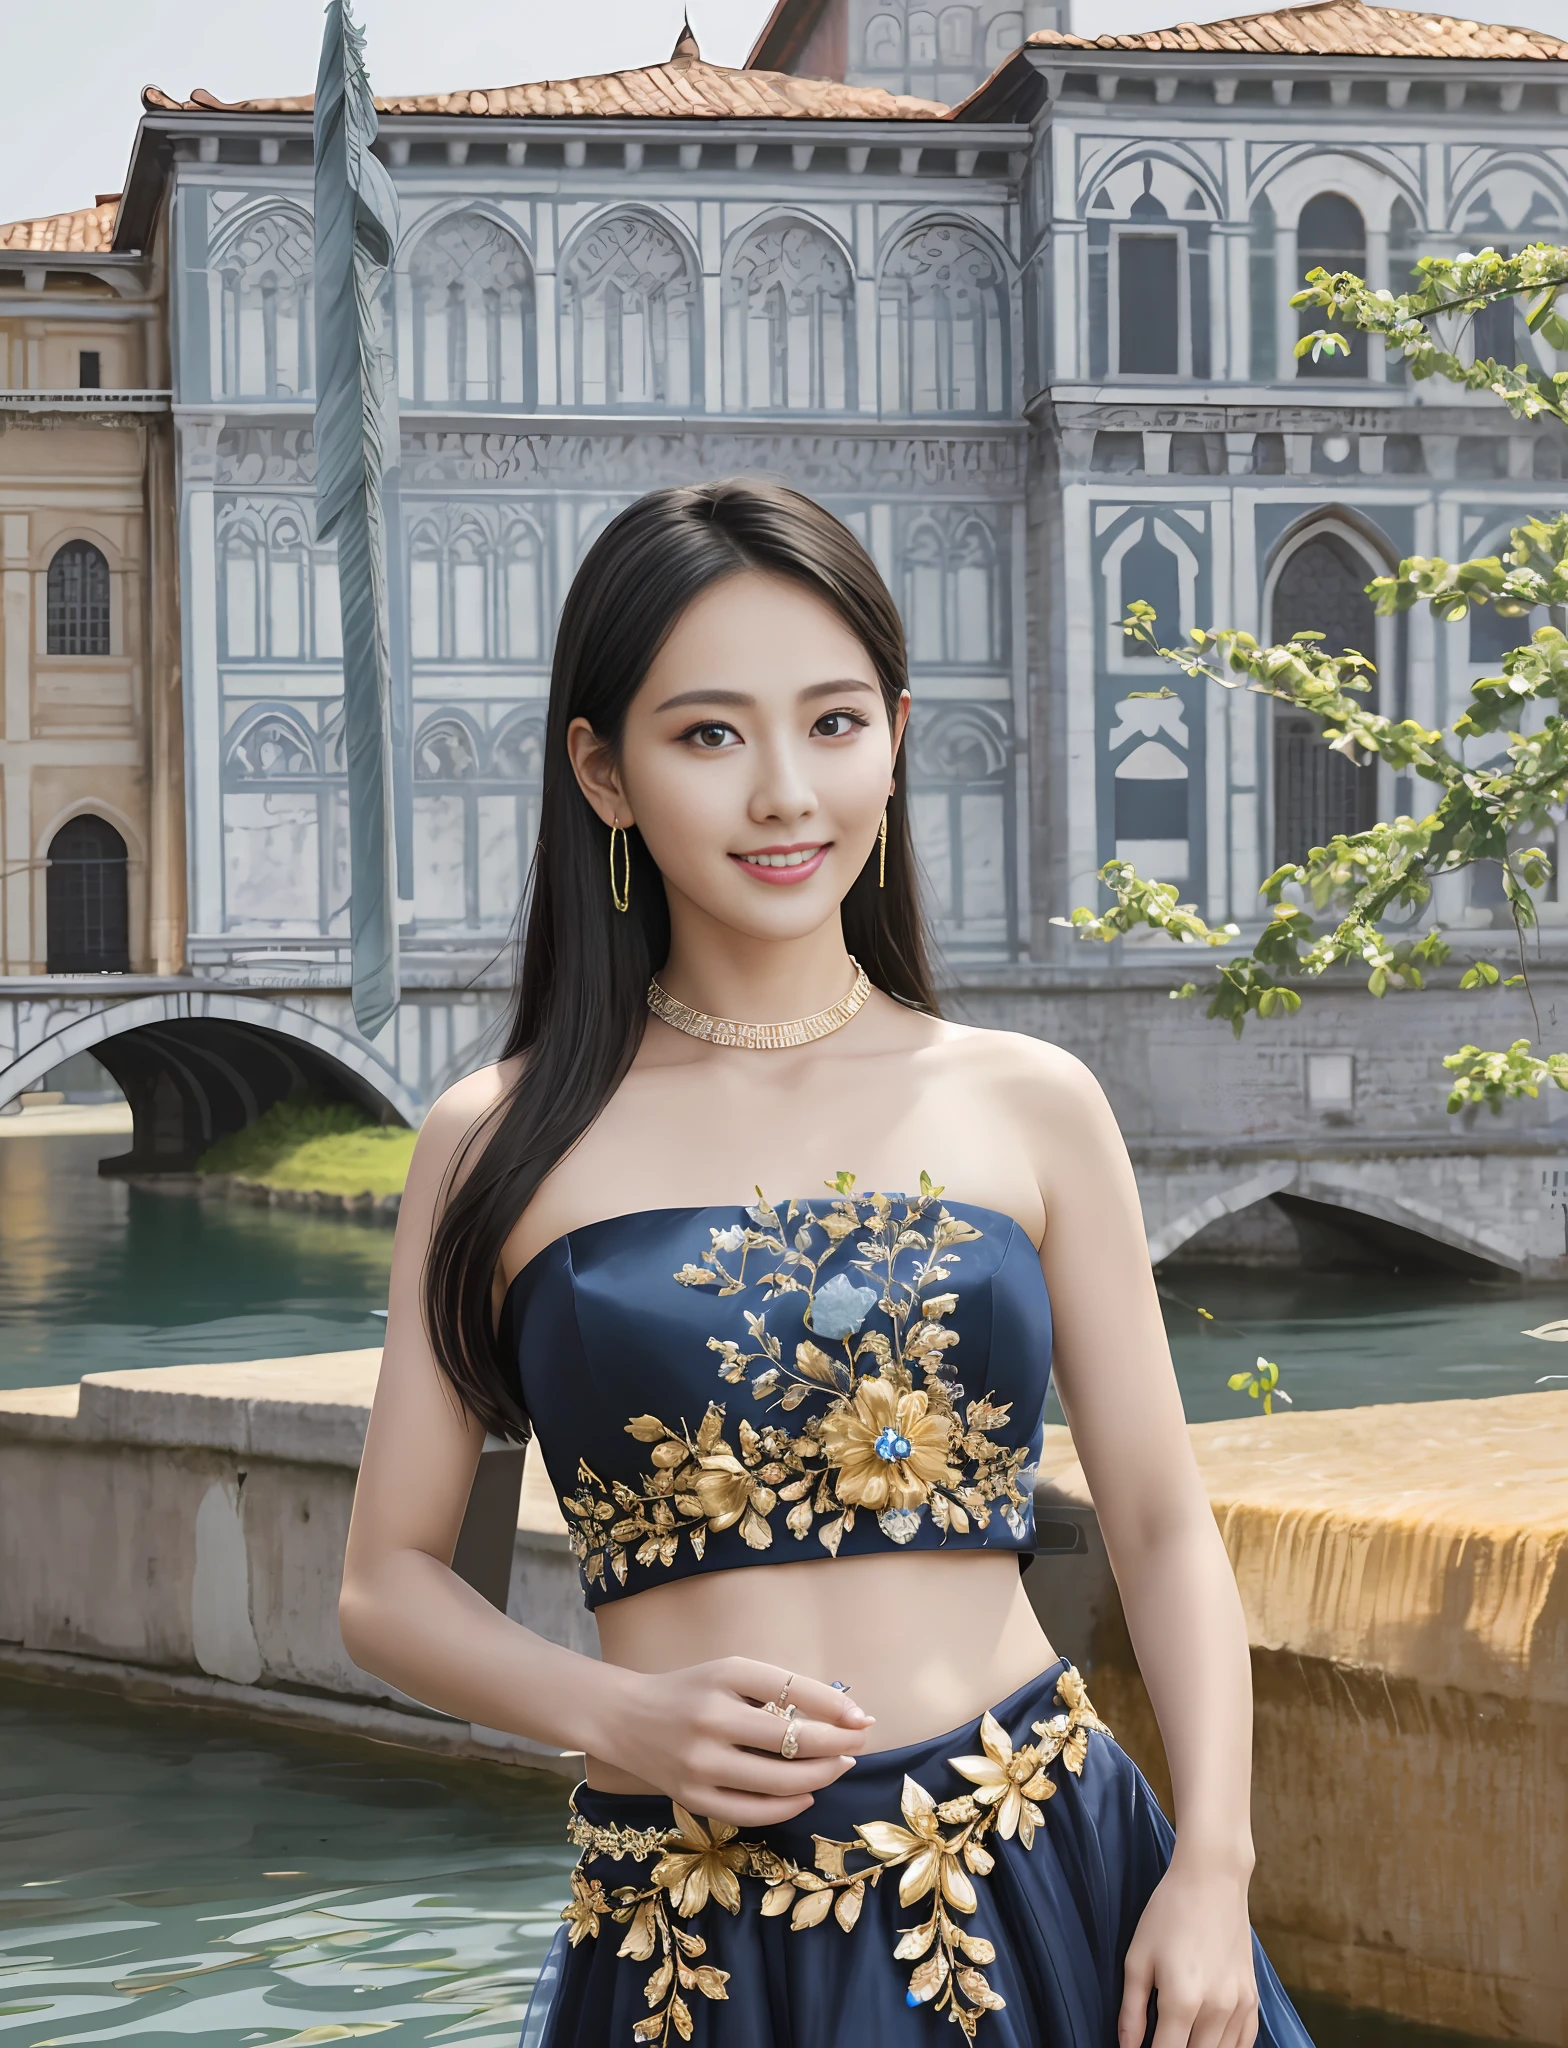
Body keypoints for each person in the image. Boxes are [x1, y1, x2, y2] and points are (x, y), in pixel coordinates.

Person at [339, 480, 1314, 2048]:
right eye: (710, 735)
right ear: (602, 769)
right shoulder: (495, 1141)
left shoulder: (1028, 1102)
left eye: (836, 724)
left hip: (1050, 1870)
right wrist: (618, 1714)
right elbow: (387, 1584)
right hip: (690, 1930)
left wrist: (1215, 1865)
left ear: (900, 734)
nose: (787, 792)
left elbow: (1156, 1522)